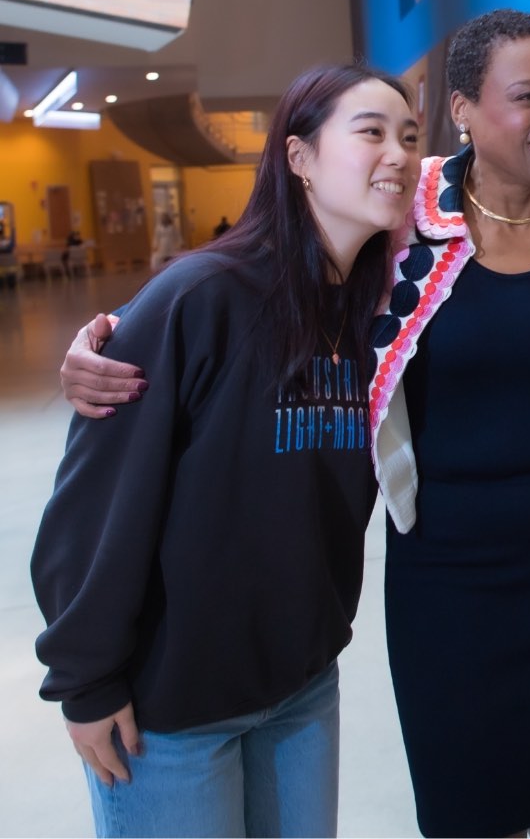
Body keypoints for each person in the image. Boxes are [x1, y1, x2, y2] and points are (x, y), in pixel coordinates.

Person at [57, 10, 530, 838]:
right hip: (446, 568)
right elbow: (268, 269)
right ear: (464, 111)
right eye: (526, 97)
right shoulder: (407, 217)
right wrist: (110, 332)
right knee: (465, 807)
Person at [31, 62, 419, 838]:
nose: (400, 154)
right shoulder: (201, 297)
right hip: (170, 711)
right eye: (371, 132)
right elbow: (97, 503)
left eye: (410, 136)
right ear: (298, 158)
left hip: (302, 690)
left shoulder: (375, 319)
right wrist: (85, 679)